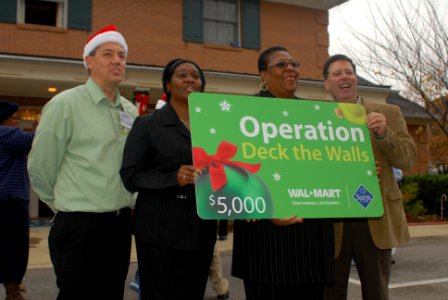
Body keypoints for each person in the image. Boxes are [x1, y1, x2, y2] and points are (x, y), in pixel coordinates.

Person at [27, 25, 138, 300]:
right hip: (78, 225)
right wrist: (63, 204)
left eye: (122, 55)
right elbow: (40, 165)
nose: (117, 60)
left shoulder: (130, 110)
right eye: (108, 54)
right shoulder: (65, 105)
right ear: (89, 61)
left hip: (120, 224)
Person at [231, 46, 335, 300]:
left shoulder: (316, 115)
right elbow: (231, 174)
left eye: (294, 63)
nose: (290, 69)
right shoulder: (241, 112)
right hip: (264, 243)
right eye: (281, 65)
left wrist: (357, 173)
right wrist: (265, 210)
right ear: (264, 75)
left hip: (311, 242)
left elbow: (328, 167)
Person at [120, 58, 217, 300]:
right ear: (168, 85)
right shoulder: (147, 124)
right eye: (181, 75)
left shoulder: (214, 126)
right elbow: (130, 175)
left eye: (195, 75)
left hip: (201, 232)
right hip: (159, 233)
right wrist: (172, 178)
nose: (190, 79)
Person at [322, 54, 417, 300]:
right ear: (326, 83)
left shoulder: (388, 113)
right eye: (337, 73)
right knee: (330, 294)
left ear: (355, 78)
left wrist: (384, 134)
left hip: (377, 218)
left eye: (349, 72)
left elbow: (407, 159)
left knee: (376, 293)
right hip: (334, 221)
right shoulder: (317, 119)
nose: (344, 77)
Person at [0, 100, 36, 300]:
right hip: (11, 200)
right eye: (14, 119)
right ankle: (13, 292)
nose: (16, 123)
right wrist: (43, 126)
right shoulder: (6, 133)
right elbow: (38, 141)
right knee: (15, 248)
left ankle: (11, 290)